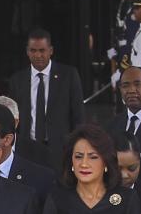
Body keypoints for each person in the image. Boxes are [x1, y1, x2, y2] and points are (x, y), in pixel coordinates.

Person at [8, 28, 84, 170]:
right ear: (27, 51)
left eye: (42, 50)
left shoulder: (68, 75)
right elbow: (13, 117)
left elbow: (78, 115)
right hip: (28, 149)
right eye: (33, 51)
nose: (38, 55)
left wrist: (76, 148)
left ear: (51, 50)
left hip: (59, 150)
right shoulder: (17, 80)